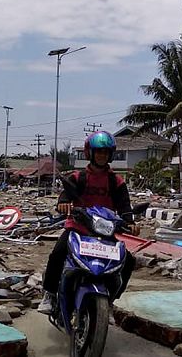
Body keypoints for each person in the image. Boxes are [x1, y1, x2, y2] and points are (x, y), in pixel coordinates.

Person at [37, 131, 139, 314]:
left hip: (105, 232)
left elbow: (124, 206)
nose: (102, 155)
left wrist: (130, 222)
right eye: (98, 151)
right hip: (78, 228)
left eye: (105, 152)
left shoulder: (116, 181)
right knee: (58, 253)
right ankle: (49, 294)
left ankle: (110, 300)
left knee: (128, 261)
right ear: (90, 153)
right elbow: (65, 195)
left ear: (111, 155)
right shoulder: (78, 177)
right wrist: (63, 204)